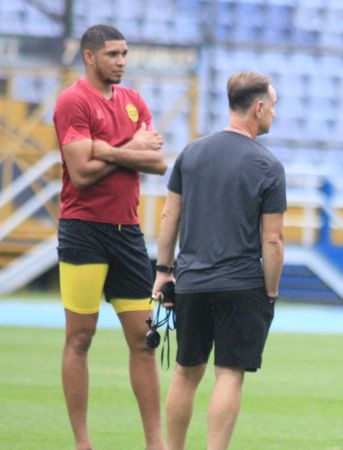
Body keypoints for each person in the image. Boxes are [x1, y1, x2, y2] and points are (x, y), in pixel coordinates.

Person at [152, 71, 285, 450]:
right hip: (242, 285)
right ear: (258, 108)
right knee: (229, 374)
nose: (275, 113)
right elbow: (273, 239)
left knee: (185, 372)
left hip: (192, 282)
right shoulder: (268, 166)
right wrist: (270, 291)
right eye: (273, 106)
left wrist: (163, 272)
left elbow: (168, 217)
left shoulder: (191, 153)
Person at [53, 24, 168, 450]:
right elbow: (80, 175)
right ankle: (83, 443)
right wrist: (127, 147)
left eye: (124, 54)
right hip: (83, 231)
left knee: (143, 339)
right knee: (80, 337)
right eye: (113, 54)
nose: (122, 61)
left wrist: (104, 147)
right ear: (90, 56)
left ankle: (155, 443)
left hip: (128, 233)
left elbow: (156, 162)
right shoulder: (72, 101)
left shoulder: (134, 101)